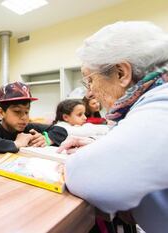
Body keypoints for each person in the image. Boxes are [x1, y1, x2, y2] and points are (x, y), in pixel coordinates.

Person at [58, 21, 168, 215]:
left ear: (121, 73)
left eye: (90, 80)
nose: (89, 93)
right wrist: (97, 145)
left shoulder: (161, 104)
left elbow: (95, 179)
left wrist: (78, 164)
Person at [0, 81, 67, 154]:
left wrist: (46, 139)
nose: (24, 117)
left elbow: (61, 131)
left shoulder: (28, 127)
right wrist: (17, 143)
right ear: (1, 112)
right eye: (17, 111)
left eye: (26, 112)